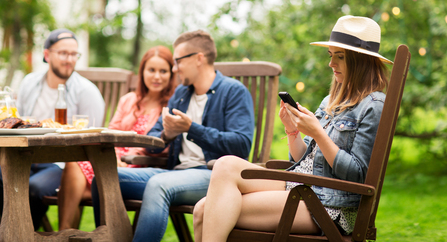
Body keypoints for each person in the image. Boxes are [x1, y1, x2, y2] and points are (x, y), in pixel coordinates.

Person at [192, 15, 392, 241]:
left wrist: (317, 131)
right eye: (330, 55)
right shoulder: (331, 100)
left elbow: (358, 176)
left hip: (330, 205)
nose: (331, 63)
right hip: (302, 183)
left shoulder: (374, 106)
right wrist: (292, 131)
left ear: (360, 61)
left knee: (205, 210)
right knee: (225, 165)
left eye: (340, 56)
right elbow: (303, 158)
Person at [91, 30, 255, 242]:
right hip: (173, 173)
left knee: (158, 185)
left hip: (214, 176)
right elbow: (152, 140)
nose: (174, 68)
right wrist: (167, 134)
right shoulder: (181, 94)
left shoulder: (233, 92)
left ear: (198, 58)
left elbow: (241, 145)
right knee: (102, 179)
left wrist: (191, 128)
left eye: (178, 61)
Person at [57, 46, 177, 230]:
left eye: (163, 71)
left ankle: (66, 234)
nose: (157, 76)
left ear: (171, 74)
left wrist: (125, 157)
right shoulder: (129, 100)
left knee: (76, 179)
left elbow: (163, 144)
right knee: (74, 163)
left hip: (140, 163)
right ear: (142, 72)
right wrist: (113, 154)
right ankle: (66, 233)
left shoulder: (172, 105)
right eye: (151, 70)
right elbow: (111, 132)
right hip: (112, 158)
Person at [0, 28, 105, 230]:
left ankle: (24, 235)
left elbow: (91, 139)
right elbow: (17, 122)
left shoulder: (87, 92)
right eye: (63, 53)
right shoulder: (29, 82)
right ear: (47, 55)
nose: (70, 59)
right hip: (24, 157)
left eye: (74, 54)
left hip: (61, 165)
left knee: (33, 188)